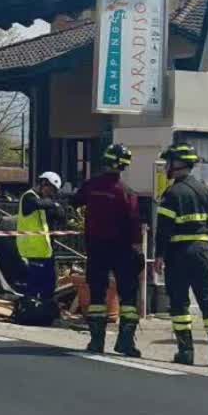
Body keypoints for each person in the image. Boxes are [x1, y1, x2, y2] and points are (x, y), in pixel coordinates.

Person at [152, 144, 208, 366]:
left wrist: (159, 255)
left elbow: (163, 230)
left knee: (179, 304)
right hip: (202, 253)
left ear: (177, 164)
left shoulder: (172, 194)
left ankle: (185, 352)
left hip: (177, 254)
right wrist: (206, 245)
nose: (166, 166)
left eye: (169, 162)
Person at [73, 144, 144, 356]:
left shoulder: (91, 186)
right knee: (128, 298)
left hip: (96, 249)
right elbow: (135, 224)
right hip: (123, 251)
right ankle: (125, 343)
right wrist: (138, 250)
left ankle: (96, 342)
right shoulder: (126, 193)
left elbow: (74, 202)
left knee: (97, 296)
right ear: (123, 166)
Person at [14, 171, 68, 323]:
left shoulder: (43, 201)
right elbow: (38, 204)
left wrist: (59, 211)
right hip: (31, 249)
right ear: (43, 183)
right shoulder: (29, 197)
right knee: (34, 284)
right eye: (50, 189)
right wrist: (54, 204)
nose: (51, 194)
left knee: (49, 284)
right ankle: (29, 313)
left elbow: (59, 216)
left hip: (44, 250)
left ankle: (44, 314)